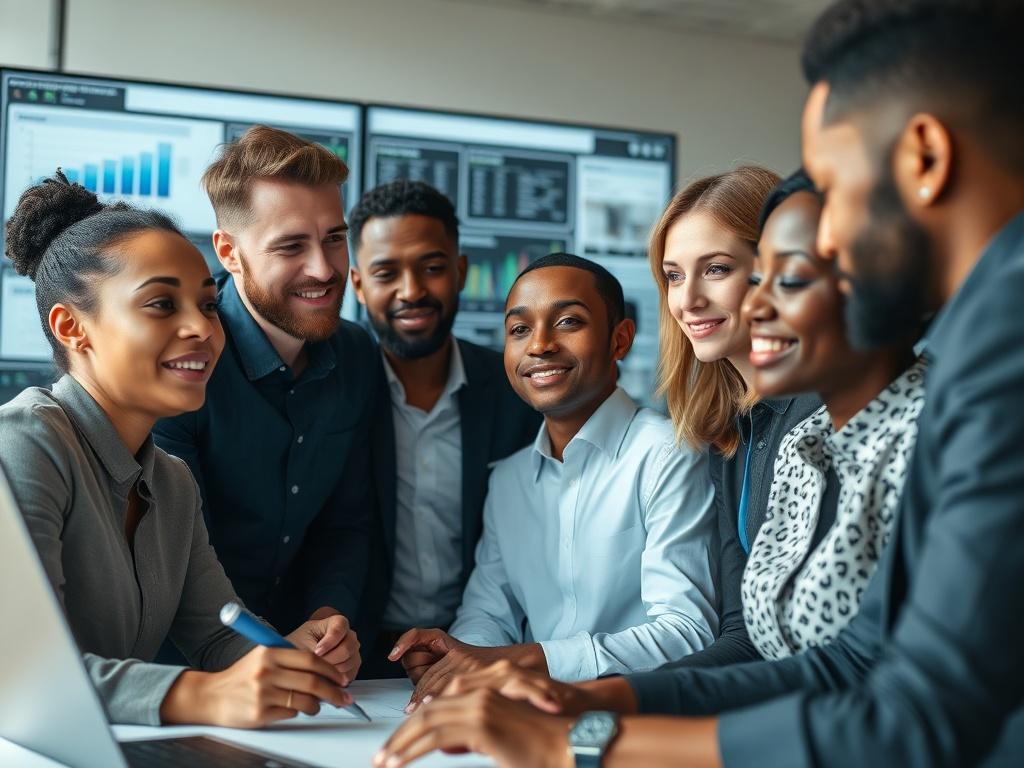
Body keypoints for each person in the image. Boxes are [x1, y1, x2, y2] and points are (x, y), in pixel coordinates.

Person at [375, 1, 1024, 765]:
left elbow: (916, 719)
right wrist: (594, 700)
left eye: (838, 196)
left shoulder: (995, 363)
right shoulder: (868, 407)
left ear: (923, 156)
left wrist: (580, 744)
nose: (828, 244)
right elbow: (843, 660)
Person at [0, 172, 356, 727]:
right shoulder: (26, 442)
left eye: (209, 306)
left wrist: (293, 659)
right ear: (73, 327)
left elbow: (216, 637)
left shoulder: (171, 480)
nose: (203, 329)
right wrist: (204, 697)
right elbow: (20, 671)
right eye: (162, 305)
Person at [389, 253, 718, 708]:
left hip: (634, 721)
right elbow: (488, 613)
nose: (539, 345)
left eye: (568, 322)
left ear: (619, 340)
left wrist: (523, 660)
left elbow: (687, 634)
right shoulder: (508, 480)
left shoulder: (668, 455)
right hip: (525, 718)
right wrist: (456, 658)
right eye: (519, 329)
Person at [154, 127, 377, 680]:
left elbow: (347, 521)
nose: (325, 269)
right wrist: (262, 651)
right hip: (184, 675)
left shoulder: (356, 355)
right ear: (229, 252)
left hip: (306, 679)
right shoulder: (182, 361)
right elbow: (178, 553)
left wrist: (329, 620)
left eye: (333, 238)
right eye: (291, 246)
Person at [347, 180, 540, 678]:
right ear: (358, 284)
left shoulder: (518, 390)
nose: (411, 291)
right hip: (358, 660)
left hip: (488, 654)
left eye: (431, 268)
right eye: (386, 273)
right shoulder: (333, 397)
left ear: (460, 272)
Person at [649, 165, 834, 671]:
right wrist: (597, 693)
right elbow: (746, 635)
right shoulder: (729, 432)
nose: (687, 301)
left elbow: (835, 646)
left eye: (716, 269)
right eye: (673, 275)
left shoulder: (826, 409)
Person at [741, 169, 924, 658]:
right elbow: (785, 669)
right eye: (758, 279)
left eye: (792, 279)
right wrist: (605, 697)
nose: (753, 305)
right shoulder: (803, 444)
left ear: (884, 287)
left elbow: (861, 686)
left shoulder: (935, 442)